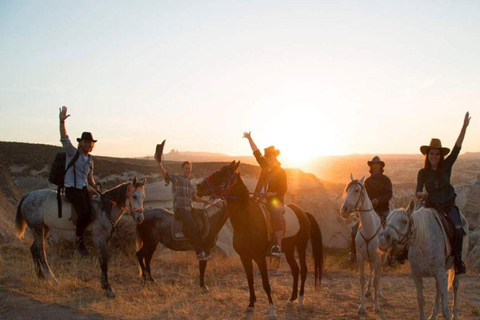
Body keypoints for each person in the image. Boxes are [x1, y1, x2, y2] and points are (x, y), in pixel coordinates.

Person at [415, 112, 471, 275]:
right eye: (431, 153)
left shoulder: (446, 165)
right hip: (430, 205)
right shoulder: (422, 172)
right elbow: (418, 191)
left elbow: (457, 147)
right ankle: (406, 254)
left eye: (437, 154)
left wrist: (464, 127)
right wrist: (421, 195)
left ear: (441, 155)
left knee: (459, 229)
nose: (434, 156)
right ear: (427, 155)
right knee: (412, 225)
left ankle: (458, 260)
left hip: (447, 205)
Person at [59, 106, 100, 256]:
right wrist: (62, 122)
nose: (88, 144)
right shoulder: (72, 153)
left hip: (83, 189)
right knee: (84, 211)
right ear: (81, 142)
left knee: (93, 213)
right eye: (85, 142)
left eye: (90, 142)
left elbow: (89, 178)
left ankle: (83, 234)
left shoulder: (90, 160)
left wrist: (95, 186)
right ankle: (78, 240)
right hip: (72, 189)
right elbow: (64, 139)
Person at [156, 158, 212, 261]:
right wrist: (159, 163)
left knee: (202, 217)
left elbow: (194, 198)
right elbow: (165, 174)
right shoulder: (177, 179)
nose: (188, 170)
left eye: (189, 168)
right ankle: (199, 253)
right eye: (186, 168)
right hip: (180, 210)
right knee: (194, 227)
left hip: (189, 208)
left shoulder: (191, 183)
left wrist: (206, 202)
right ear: (182, 169)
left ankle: (202, 245)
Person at [243, 132, 287, 257]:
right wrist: (249, 138)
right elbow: (256, 153)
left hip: (275, 200)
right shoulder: (265, 166)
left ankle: (278, 246)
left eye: (271, 157)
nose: (269, 159)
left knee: (276, 215)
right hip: (259, 197)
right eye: (267, 157)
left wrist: (272, 193)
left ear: (275, 157)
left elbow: (284, 189)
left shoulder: (280, 172)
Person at [346, 156, 393, 264]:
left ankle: (391, 256)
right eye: (373, 165)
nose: (375, 166)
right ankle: (353, 254)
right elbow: (363, 197)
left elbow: (389, 194)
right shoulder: (367, 181)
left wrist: (378, 200)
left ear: (381, 167)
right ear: (371, 167)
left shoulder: (386, 180)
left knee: (390, 230)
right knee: (354, 229)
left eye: (377, 165)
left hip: (382, 210)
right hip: (369, 211)